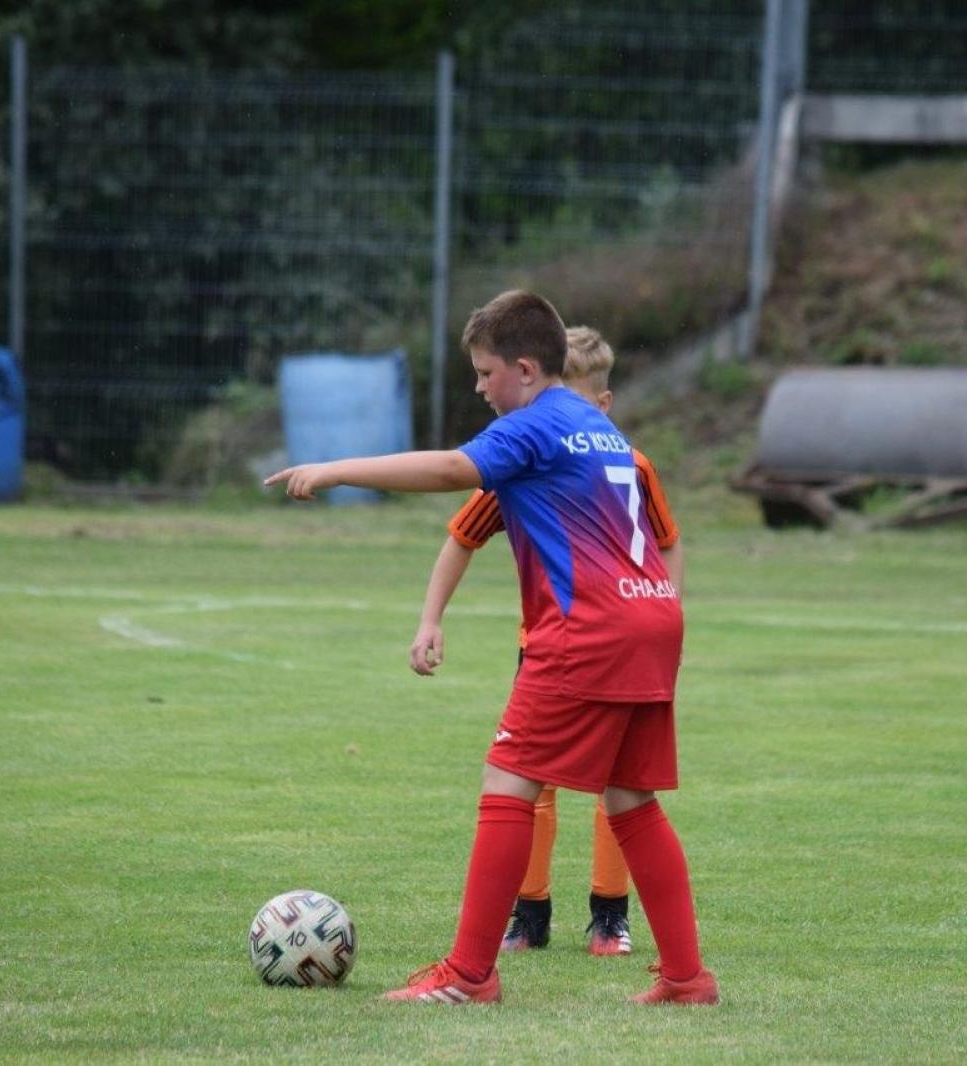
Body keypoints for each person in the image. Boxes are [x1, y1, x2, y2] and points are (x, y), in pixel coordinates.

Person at [265, 289, 717, 1007]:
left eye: (484, 373)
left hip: (588, 629)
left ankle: (470, 974)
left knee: (508, 782)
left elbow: (451, 471)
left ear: (527, 369)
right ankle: (688, 979)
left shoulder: (533, 425)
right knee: (632, 800)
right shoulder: (592, 423)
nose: (478, 388)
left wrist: (339, 469)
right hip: (653, 619)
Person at [408, 325, 685, 959]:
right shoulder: (602, 450)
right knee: (609, 791)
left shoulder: (569, 448)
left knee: (525, 781)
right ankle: (532, 917)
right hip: (597, 635)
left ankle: (598, 922)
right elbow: (466, 533)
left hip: (580, 639)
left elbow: (665, 543)